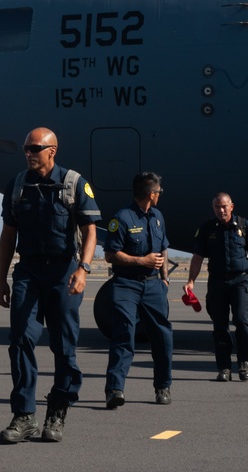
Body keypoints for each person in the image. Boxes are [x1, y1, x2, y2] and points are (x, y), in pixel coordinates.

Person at [0, 127, 101, 444]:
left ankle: (58, 409)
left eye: (35, 148)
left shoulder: (73, 183)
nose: (28, 152)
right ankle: (24, 415)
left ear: (52, 150)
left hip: (64, 272)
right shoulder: (17, 185)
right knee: (20, 341)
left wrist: (84, 268)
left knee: (64, 347)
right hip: (28, 272)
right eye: (26, 147)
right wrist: (1, 278)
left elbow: (90, 230)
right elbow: (8, 234)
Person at [103, 172, 173, 409]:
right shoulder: (122, 218)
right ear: (150, 194)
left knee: (162, 336)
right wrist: (141, 261)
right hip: (126, 285)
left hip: (154, 285)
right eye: (159, 192)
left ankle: (163, 386)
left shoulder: (158, 217)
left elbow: (163, 248)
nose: (160, 195)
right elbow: (111, 255)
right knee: (124, 335)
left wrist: (164, 279)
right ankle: (114, 389)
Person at [184, 192, 248, 382]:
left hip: (240, 281)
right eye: (217, 207)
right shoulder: (207, 228)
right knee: (219, 326)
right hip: (217, 282)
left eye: (224, 206)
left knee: (242, 321)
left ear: (232, 206)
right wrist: (191, 281)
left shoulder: (245, 226)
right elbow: (198, 257)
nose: (221, 210)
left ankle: (244, 362)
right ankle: (224, 367)